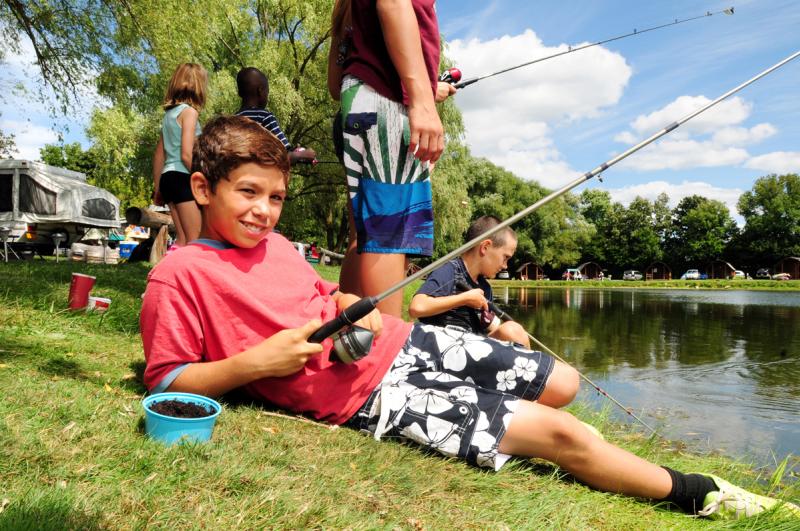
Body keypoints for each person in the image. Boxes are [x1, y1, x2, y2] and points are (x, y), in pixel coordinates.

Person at [140, 116, 799, 522]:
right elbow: (165, 379)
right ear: (204, 189)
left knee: (563, 379)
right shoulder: (180, 274)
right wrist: (256, 365)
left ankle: (518, 415)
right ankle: (702, 493)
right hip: (368, 396)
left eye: (276, 196)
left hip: (398, 342)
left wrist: (345, 312)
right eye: (247, 193)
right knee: (562, 432)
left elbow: (326, 296)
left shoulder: (279, 247)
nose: (264, 210)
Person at [327, 0, 457, 317]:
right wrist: (421, 100)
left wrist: (424, 88)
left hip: (360, 102)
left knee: (365, 235)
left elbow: (334, 83)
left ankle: (351, 335)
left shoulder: (344, 8)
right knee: (390, 234)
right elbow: (394, 3)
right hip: (386, 105)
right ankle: (386, 349)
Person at [409, 216, 531, 347]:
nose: (505, 266)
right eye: (505, 257)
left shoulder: (486, 288)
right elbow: (416, 307)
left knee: (514, 331)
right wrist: (464, 298)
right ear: (485, 247)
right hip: (443, 349)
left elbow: (483, 331)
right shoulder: (449, 270)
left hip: (471, 349)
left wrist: (490, 324)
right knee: (513, 331)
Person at [152, 63, 207, 248]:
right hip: (183, 177)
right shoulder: (189, 112)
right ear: (199, 86)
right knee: (196, 240)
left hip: (168, 179)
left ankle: (167, 273)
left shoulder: (168, 116)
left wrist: (158, 187)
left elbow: (159, 155)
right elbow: (185, 154)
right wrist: (204, 180)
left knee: (182, 241)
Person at [235, 67, 317, 166]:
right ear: (260, 91)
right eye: (267, 92)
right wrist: (303, 155)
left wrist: (294, 150)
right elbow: (284, 155)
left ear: (239, 93)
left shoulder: (233, 121)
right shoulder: (265, 117)